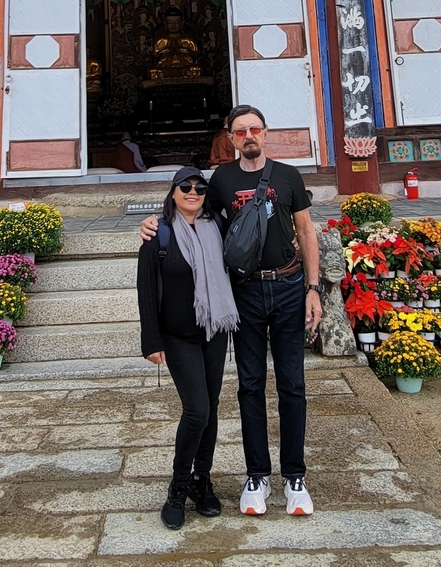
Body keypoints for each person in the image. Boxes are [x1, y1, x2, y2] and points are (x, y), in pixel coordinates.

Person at [141, 103, 322, 517]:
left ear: (266, 132)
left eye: (254, 129)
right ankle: (256, 474)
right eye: (240, 132)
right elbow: (190, 210)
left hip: (291, 285)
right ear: (230, 137)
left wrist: (314, 288)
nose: (249, 137)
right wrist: (153, 224)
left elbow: (306, 231)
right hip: (246, 294)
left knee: (293, 385)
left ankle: (295, 476)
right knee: (250, 385)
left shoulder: (288, 176)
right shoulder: (221, 179)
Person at [137, 165, 238, 530]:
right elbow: (146, 289)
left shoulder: (220, 226)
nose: (192, 192)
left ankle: (203, 481)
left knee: (210, 409)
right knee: (196, 410)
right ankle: (178, 487)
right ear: (173, 192)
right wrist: (152, 340)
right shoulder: (159, 233)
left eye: (199, 186)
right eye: (185, 186)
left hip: (215, 332)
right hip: (177, 335)